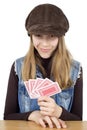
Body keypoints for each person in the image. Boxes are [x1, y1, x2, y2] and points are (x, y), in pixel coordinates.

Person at [4, 3, 83, 128]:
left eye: (52, 36)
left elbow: (79, 120)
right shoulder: (18, 67)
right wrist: (33, 115)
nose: (45, 44)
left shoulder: (75, 69)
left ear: (60, 38)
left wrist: (59, 112)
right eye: (38, 36)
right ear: (31, 36)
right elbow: (8, 116)